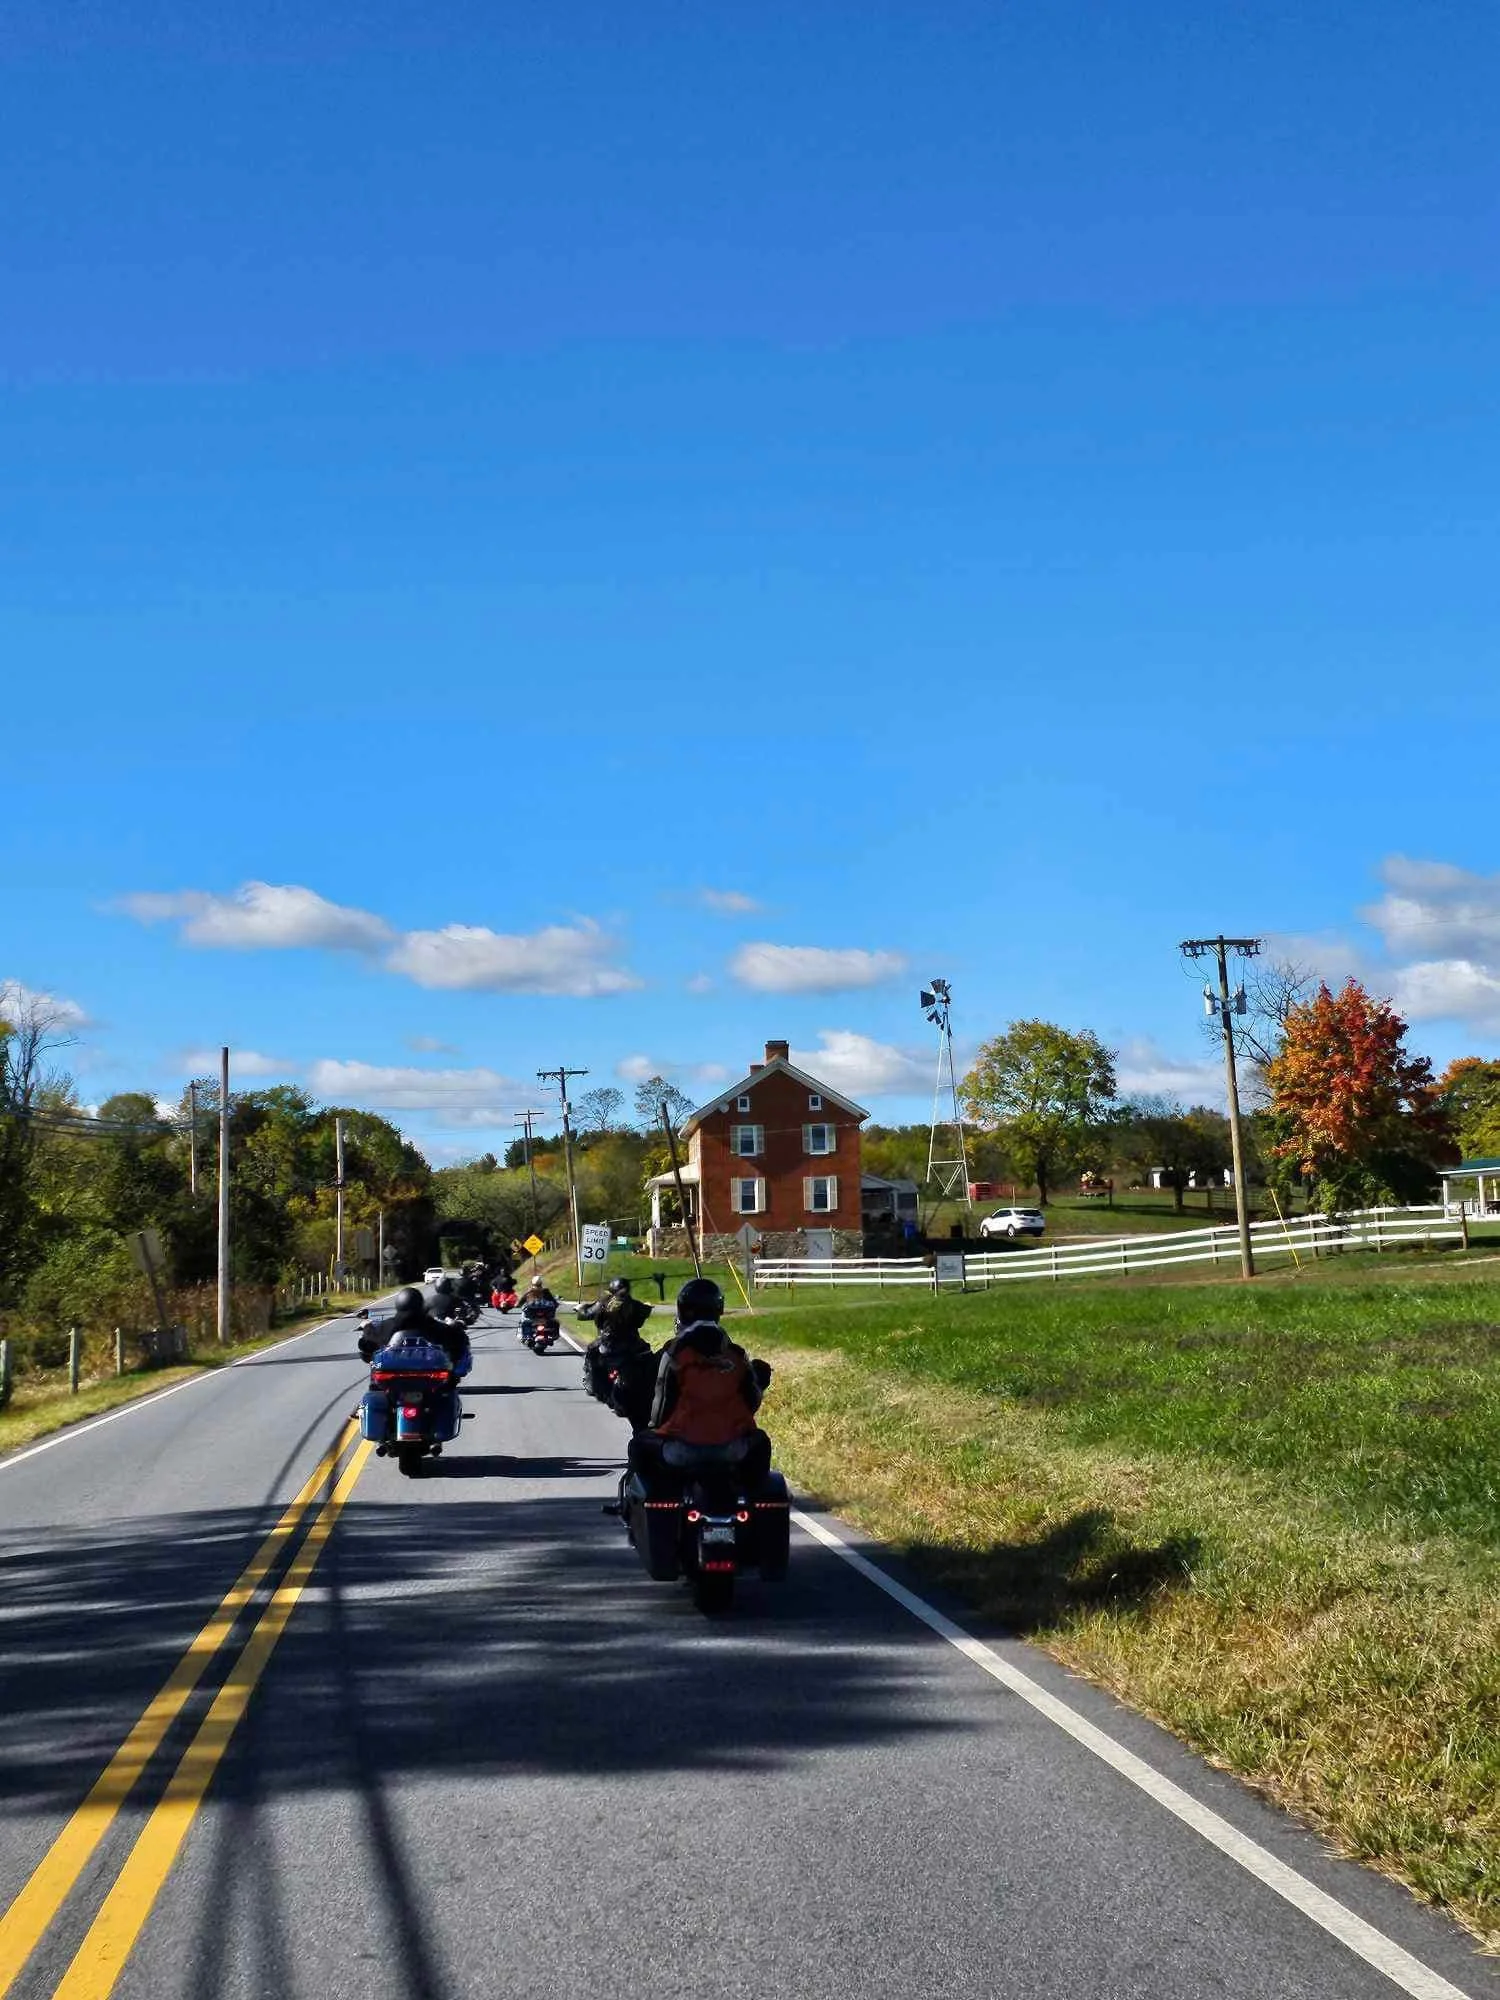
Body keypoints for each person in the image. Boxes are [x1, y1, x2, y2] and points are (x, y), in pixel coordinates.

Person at [628, 1277, 771, 1487]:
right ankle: (750, 1497)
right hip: (732, 1450)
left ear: (682, 1309)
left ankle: (660, 1503)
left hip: (682, 1449)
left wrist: (654, 1428)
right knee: (761, 1442)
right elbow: (751, 1403)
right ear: (718, 1309)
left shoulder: (674, 1353)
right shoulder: (735, 1354)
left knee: (638, 1445)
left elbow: (661, 1408)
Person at [361, 1284, 470, 1371]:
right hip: (428, 1378)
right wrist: (455, 1327)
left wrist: (367, 1330)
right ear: (420, 1304)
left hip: (396, 1378)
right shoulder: (432, 1324)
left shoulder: (387, 1326)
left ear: (398, 1304)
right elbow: (457, 1339)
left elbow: (366, 1345)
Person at [579, 1277, 654, 1400]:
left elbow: (591, 1316)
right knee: (646, 1353)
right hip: (629, 1342)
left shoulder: (605, 1303)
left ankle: (592, 1383)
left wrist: (582, 1309)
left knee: (592, 1353)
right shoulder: (633, 1304)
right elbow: (641, 1318)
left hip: (610, 1342)